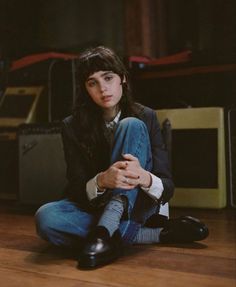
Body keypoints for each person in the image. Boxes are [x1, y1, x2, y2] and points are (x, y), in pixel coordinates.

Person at [35, 46, 208, 269]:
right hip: (96, 207)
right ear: (85, 89)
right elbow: (77, 186)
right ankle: (153, 235)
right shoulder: (72, 126)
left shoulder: (146, 116)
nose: (102, 88)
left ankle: (104, 232)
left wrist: (143, 177)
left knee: (131, 125)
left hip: (139, 205)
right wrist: (101, 180)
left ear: (122, 79)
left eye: (108, 78)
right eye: (92, 83)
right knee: (46, 218)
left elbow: (167, 185)